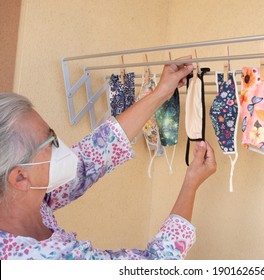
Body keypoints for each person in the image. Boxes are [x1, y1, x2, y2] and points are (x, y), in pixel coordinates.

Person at [0, 56, 217, 260]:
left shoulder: (26, 201)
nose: (61, 146)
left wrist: (161, 92)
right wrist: (191, 183)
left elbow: (92, 156)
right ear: (20, 178)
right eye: (51, 142)